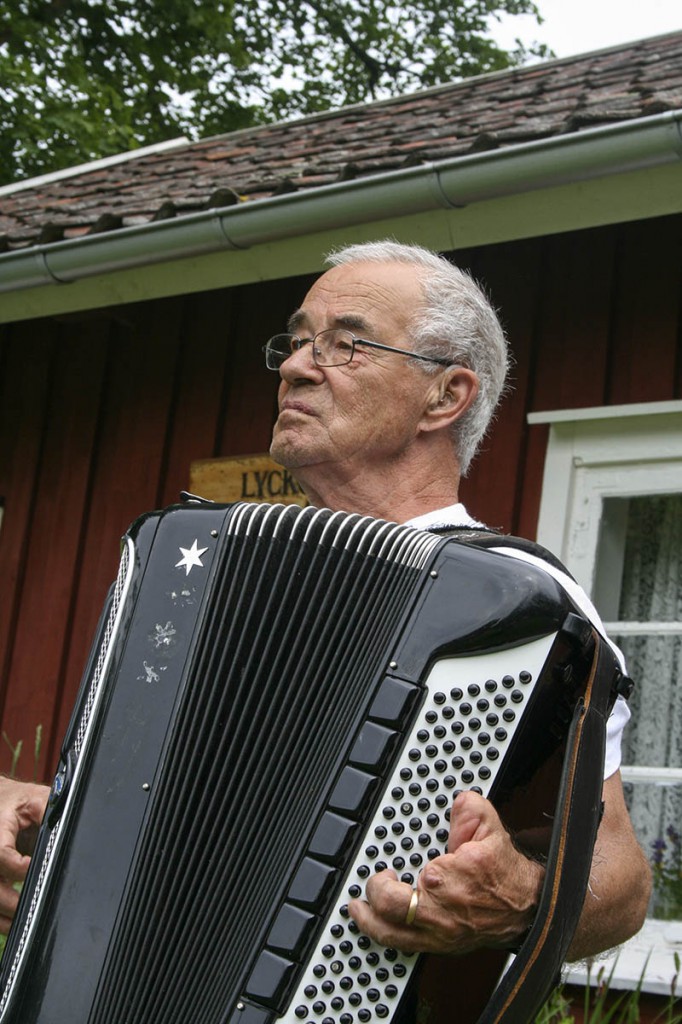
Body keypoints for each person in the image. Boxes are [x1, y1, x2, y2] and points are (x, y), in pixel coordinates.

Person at [0, 241, 650, 968]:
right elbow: (160, 796)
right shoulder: (195, 566)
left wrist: (525, 894)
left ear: (446, 396)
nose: (294, 366)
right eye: (299, 339)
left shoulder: (520, 609)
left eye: (346, 344)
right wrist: (19, 804)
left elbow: (621, 886)